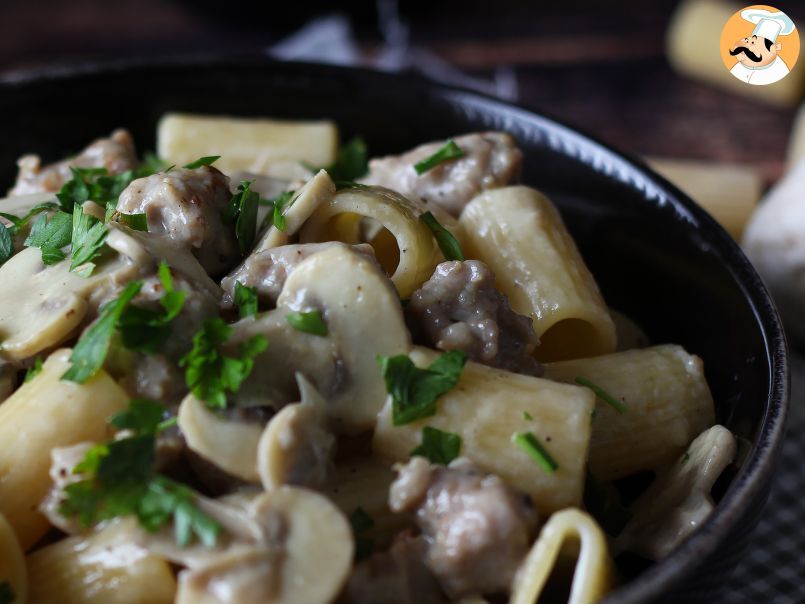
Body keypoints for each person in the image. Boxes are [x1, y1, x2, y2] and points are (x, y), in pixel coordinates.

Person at [729, 9, 795, 86]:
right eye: (747, 40)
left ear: (775, 47)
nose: (746, 45)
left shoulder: (779, 72)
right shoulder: (739, 67)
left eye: (753, 43)